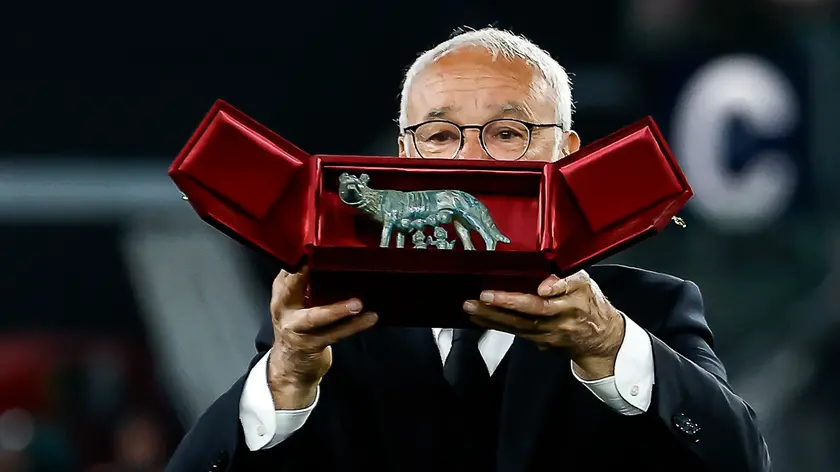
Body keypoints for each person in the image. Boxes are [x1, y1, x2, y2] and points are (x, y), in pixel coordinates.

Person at [165, 28, 771, 472]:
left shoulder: (648, 309)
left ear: (568, 156)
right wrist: (283, 377)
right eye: (439, 135)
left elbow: (740, 460)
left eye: (508, 133)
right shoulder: (326, 325)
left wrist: (609, 344)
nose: (471, 159)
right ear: (404, 157)